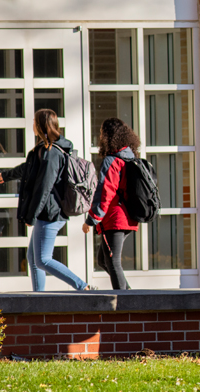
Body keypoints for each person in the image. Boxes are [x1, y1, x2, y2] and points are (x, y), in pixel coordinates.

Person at [0, 109, 95, 292]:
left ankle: (82, 286)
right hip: (48, 211)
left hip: (51, 212)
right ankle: (39, 297)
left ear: (41, 125)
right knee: (33, 258)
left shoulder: (52, 153)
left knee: (43, 259)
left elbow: (44, 187)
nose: (32, 124)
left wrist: (31, 216)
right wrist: (6, 176)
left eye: (34, 121)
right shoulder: (43, 150)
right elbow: (29, 168)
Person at [81, 118, 140, 290]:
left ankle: (126, 304)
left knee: (113, 262)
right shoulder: (130, 156)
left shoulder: (112, 160)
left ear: (107, 136)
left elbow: (105, 193)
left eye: (101, 133)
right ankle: (129, 294)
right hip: (127, 216)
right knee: (103, 260)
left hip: (115, 218)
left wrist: (91, 220)